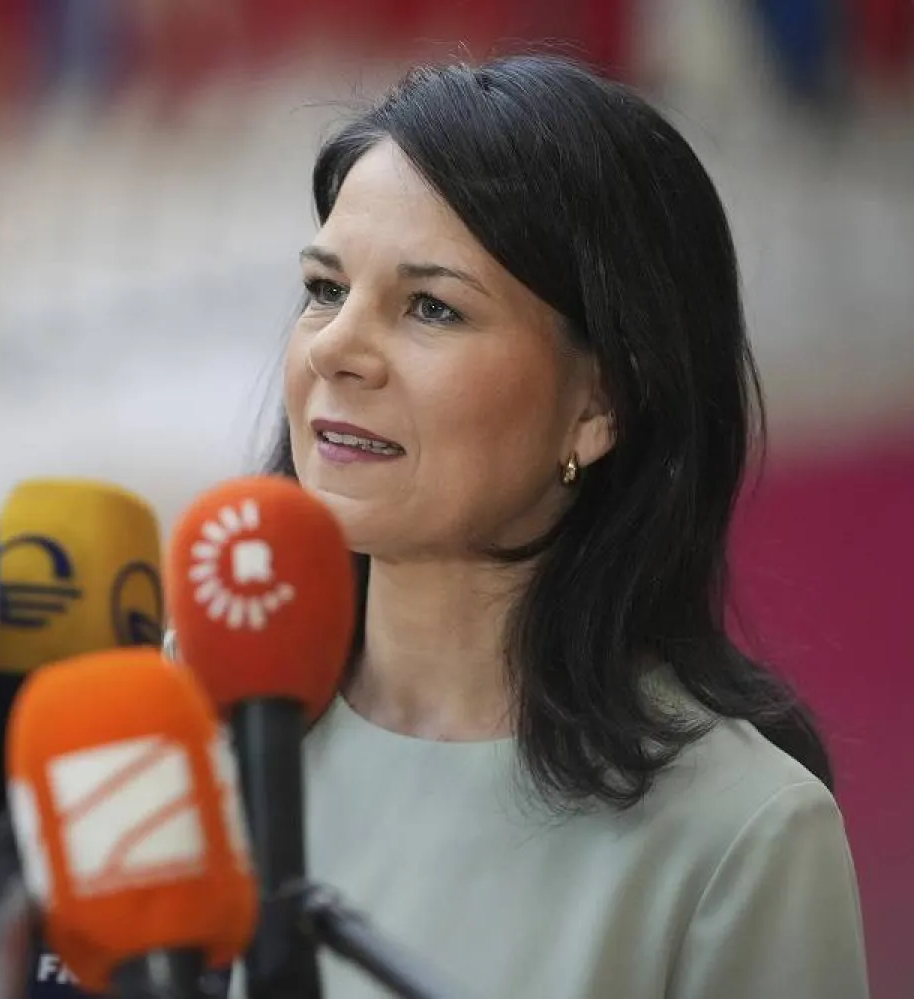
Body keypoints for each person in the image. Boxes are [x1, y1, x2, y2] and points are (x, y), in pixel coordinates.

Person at [257, 55, 868, 999]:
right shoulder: (187, 736)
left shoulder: (740, 835)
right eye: (326, 289)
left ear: (601, 404)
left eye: (431, 307)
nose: (335, 348)